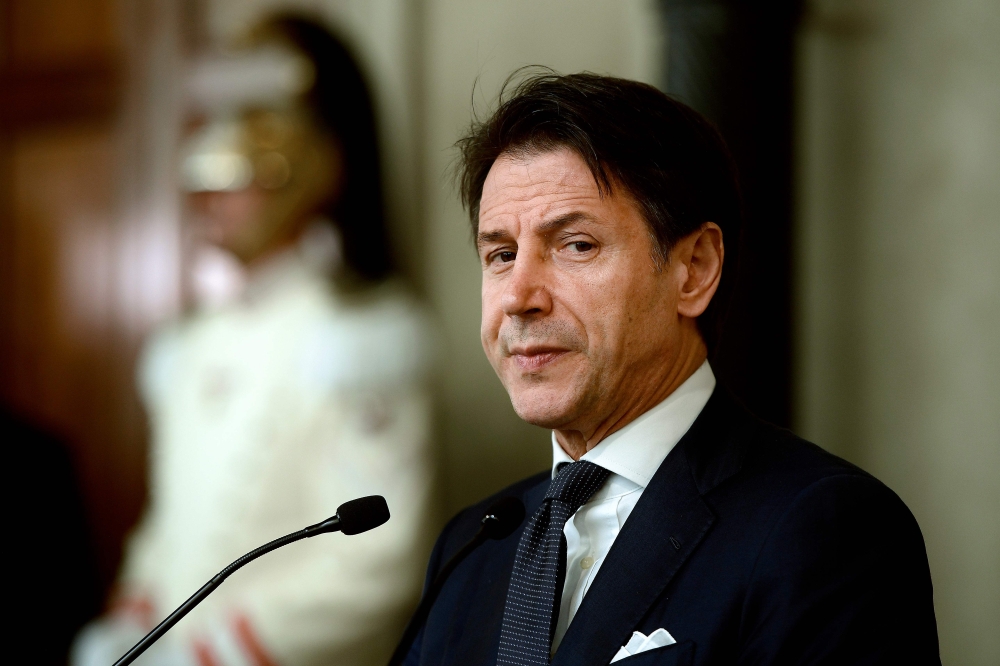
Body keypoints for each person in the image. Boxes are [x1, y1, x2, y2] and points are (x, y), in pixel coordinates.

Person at [403, 72, 939, 665]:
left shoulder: (824, 531)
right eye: (501, 255)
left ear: (694, 269)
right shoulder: (472, 544)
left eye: (575, 245)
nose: (519, 296)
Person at [72, 16, 436, 666]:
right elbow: (174, 525)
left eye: (238, 164)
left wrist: (217, 654)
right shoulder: (193, 343)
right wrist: (131, 624)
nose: (212, 191)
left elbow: (377, 562)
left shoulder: (357, 340)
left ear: (309, 166)